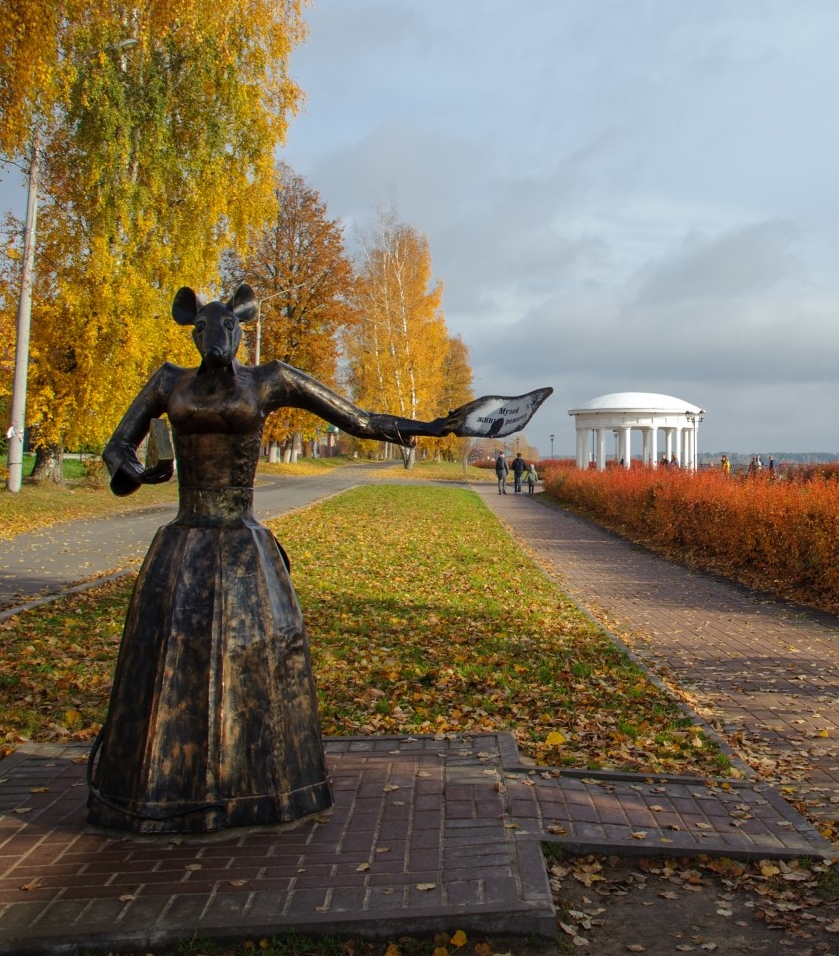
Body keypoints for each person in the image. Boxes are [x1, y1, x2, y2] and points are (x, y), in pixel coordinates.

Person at [92, 284, 550, 834]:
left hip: (240, 541)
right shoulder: (170, 382)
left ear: (239, 328)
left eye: (229, 329)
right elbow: (118, 445)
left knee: (253, 656)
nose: (218, 340)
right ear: (194, 331)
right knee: (173, 655)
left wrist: (433, 427)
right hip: (185, 540)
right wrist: (136, 471)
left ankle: (256, 781)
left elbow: (357, 419)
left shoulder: (269, 380)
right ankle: (165, 783)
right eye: (208, 330)